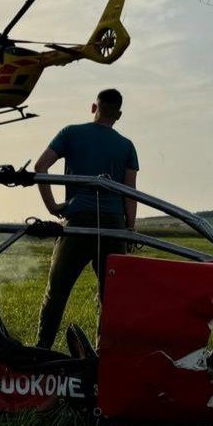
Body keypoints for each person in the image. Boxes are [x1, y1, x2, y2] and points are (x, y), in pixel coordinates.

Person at [34, 89, 139, 349]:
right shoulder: (126, 146)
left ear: (94, 108)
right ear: (120, 115)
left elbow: (40, 167)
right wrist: (131, 229)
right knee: (111, 297)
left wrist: (51, 206)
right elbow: (130, 193)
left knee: (56, 292)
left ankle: (41, 350)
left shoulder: (70, 132)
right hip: (114, 226)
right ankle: (106, 358)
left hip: (78, 221)